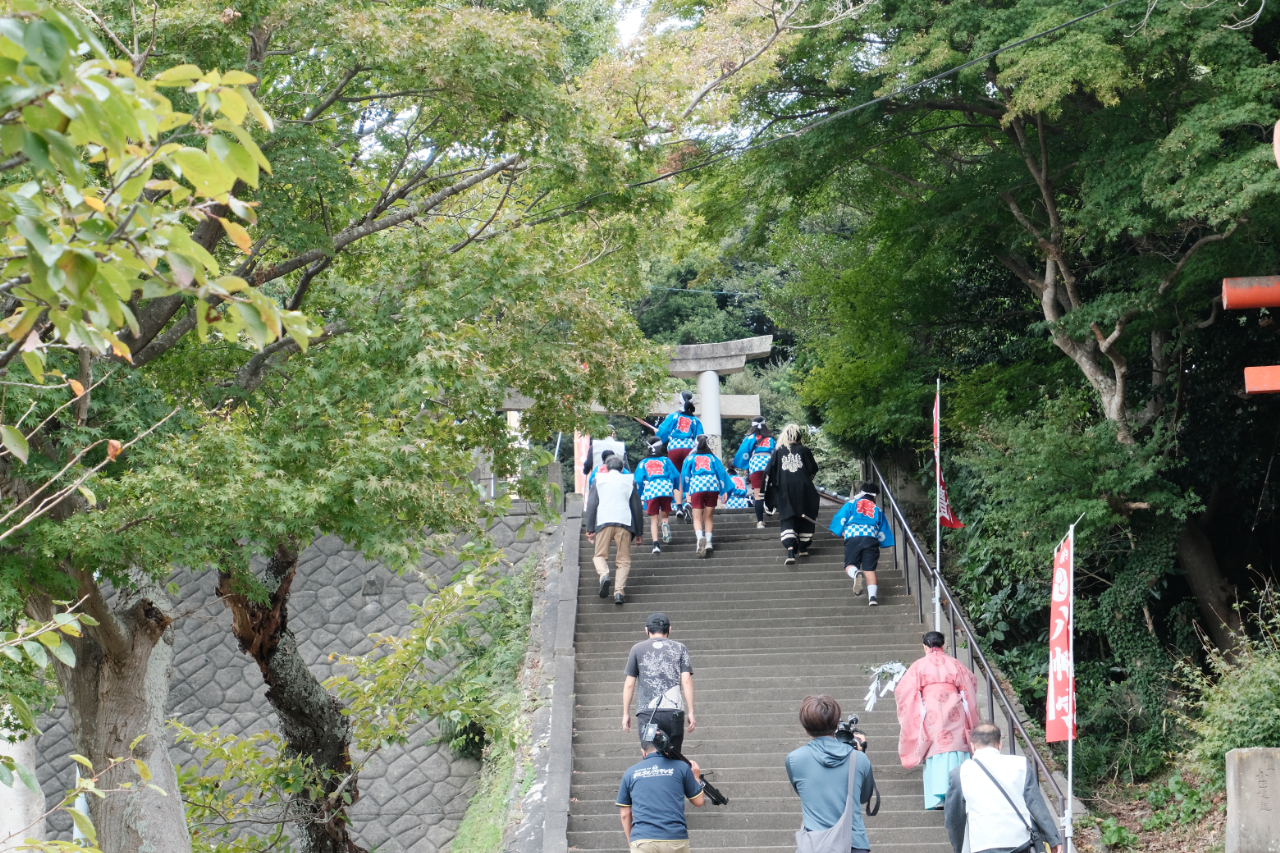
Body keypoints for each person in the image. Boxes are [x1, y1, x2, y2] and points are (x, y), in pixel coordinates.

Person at [944, 723, 1063, 853]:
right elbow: (1037, 805)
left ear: (972, 747)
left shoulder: (960, 773)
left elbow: (953, 819)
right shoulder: (1020, 765)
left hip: (982, 844)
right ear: (1000, 745)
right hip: (1020, 842)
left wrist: (958, 848)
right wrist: (1054, 839)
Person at [894, 632, 979, 809]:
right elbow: (971, 682)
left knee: (936, 747)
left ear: (924, 646)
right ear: (944, 645)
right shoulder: (955, 663)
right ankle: (960, 792)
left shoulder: (919, 665)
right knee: (956, 745)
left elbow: (903, 690)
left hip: (930, 709)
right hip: (954, 707)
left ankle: (938, 796)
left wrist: (918, 702)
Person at [785, 694, 876, 853]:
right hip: (854, 844)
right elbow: (864, 797)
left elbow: (803, 792)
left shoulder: (794, 759)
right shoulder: (859, 759)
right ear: (836, 724)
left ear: (806, 729)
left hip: (814, 844)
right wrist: (859, 754)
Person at [616, 723, 706, 853]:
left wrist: (633, 842)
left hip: (642, 839)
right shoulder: (681, 767)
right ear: (667, 747)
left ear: (643, 751)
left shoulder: (630, 773)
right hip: (674, 839)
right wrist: (696, 777)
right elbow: (698, 802)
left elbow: (625, 814)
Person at [622, 613, 696, 752]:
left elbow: (629, 684)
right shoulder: (680, 648)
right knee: (674, 755)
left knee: (650, 754)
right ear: (669, 629)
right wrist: (691, 711)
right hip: (674, 712)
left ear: (646, 630)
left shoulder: (637, 649)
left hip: (648, 713)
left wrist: (626, 713)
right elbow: (686, 681)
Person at [586, 455, 644, 605]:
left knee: (599, 555)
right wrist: (639, 532)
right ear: (622, 468)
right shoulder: (629, 481)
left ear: (605, 467)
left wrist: (590, 528)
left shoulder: (598, 480)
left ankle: (604, 574)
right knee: (624, 561)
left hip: (604, 521)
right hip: (624, 522)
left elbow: (592, 504)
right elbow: (636, 507)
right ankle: (619, 593)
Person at [827, 481, 896, 606]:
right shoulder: (877, 509)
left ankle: (856, 573)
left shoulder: (851, 504)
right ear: (874, 496)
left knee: (849, 565)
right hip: (871, 538)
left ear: (860, 493)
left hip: (853, 536)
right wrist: (883, 543)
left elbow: (840, 518)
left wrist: (836, 531)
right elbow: (883, 529)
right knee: (870, 570)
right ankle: (873, 598)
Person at [762, 423, 820, 565]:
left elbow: (769, 472)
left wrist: (767, 494)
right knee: (805, 513)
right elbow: (813, 468)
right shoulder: (804, 451)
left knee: (788, 516)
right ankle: (803, 547)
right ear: (799, 436)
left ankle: (790, 550)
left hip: (785, 488)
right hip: (804, 488)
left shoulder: (778, 452)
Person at [679, 436, 736, 557]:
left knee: (697, 517)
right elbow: (721, 474)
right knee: (708, 517)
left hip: (697, 486)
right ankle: (709, 542)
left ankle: (700, 538)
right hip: (712, 486)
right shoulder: (713, 458)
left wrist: (686, 490)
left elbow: (685, 475)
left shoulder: (690, 458)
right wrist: (723, 490)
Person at [657, 392, 704, 521]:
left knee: (677, 477)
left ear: (679, 402)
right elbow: (700, 438)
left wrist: (659, 436)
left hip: (674, 449)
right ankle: (688, 502)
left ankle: (678, 507)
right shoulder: (696, 420)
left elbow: (662, 433)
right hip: (689, 449)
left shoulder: (672, 417)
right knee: (688, 475)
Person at [635, 438, 682, 553]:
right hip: (666, 488)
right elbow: (676, 475)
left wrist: (639, 495)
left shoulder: (643, 462)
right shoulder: (666, 460)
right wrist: (674, 487)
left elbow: (638, 480)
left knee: (653, 520)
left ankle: (656, 545)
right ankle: (665, 525)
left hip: (652, 489)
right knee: (664, 516)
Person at [732, 416, 776, 529]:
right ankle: (771, 509)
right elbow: (776, 453)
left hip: (755, 466)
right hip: (769, 466)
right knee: (770, 491)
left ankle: (760, 522)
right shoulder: (771, 439)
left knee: (757, 495)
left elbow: (743, 452)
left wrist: (746, 467)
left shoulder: (750, 438)